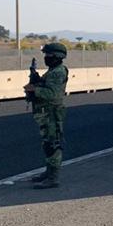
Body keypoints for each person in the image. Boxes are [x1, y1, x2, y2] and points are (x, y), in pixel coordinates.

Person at [23, 43, 69, 189]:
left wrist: (34, 89)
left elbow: (52, 93)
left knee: (53, 145)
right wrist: (36, 80)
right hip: (46, 112)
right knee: (47, 143)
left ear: (57, 56)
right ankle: (48, 172)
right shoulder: (52, 71)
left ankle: (53, 177)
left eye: (48, 55)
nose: (46, 58)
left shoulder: (58, 72)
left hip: (52, 113)